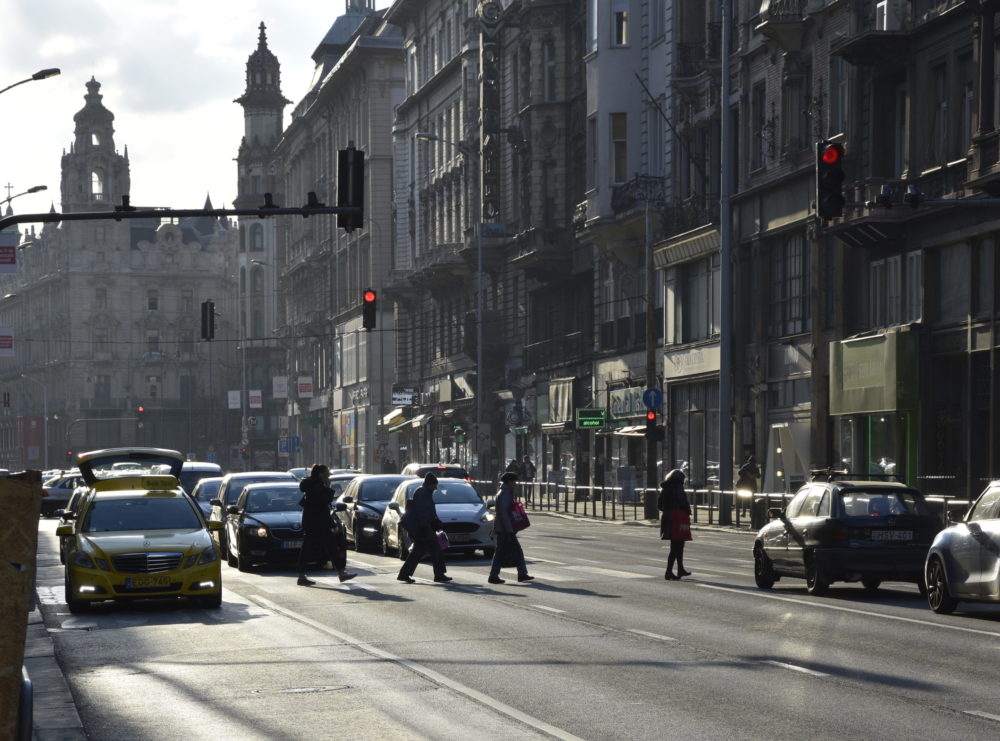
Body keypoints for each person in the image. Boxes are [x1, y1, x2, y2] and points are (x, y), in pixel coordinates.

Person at [296, 463, 357, 586]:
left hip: (313, 522)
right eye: (327, 472)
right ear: (321, 474)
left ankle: (340, 573)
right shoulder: (317, 486)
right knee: (321, 547)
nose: (329, 474)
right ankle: (340, 573)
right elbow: (323, 501)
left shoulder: (312, 484)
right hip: (318, 522)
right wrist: (328, 487)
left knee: (325, 547)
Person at [397, 473, 452, 583]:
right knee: (435, 550)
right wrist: (425, 525)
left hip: (424, 528)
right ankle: (439, 575)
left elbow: (428, 512)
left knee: (417, 552)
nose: (436, 488)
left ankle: (404, 574)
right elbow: (423, 512)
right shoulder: (423, 493)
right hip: (424, 529)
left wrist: (436, 522)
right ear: (430, 484)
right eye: (435, 485)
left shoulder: (425, 492)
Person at [488, 471, 534, 584]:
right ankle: (520, 574)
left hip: (502, 528)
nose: (515, 483)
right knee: (511, 551)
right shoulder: (505, 493)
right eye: (514, 481)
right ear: (509, 481)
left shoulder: (504, 491)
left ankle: (519, 574)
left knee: (504, 551)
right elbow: (504, 512)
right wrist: (509, 529)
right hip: (504, 529)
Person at [658, 469, 692, 580]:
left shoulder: (665, 488)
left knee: (676, 545)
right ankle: (669, 571)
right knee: (678, 545)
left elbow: (659, 505)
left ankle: (679, 569)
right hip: (677, 518)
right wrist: (687, 511)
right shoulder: (678, 487)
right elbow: (683, 501)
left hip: (667, 517)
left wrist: (667, 510)